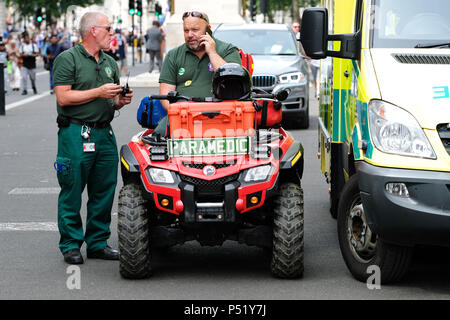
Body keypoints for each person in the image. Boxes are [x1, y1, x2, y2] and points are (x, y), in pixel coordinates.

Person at [52, 12, 133, 265]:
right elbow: (63, 98)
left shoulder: (110, 62)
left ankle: (97, 242)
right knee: (72, 188)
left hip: (104, 132)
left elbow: (111, 101)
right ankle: (71, 244)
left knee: (104, 189)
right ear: (93, 31)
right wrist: (99, 92)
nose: (112, 33)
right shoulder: (68, 59)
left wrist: (119, 101)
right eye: (108, 29)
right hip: (76, 132)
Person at [155, 11, 241, 135]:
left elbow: (233, 82)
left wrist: (212, 53)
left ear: (208, 30)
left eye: (195, 30)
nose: (190, 35)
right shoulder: (173, 55)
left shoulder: (228, 50)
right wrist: (187, 115)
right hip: (182, 117)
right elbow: (165, 97)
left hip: (223, 116)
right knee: (157, 137)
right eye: (186, 30)